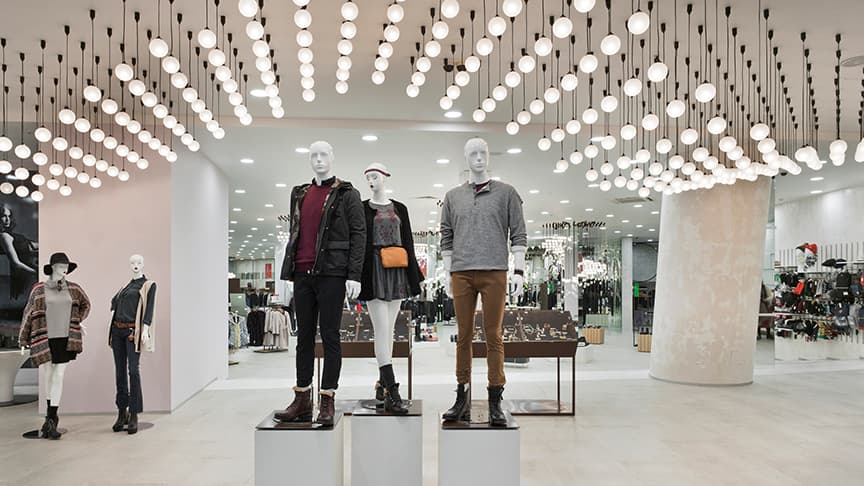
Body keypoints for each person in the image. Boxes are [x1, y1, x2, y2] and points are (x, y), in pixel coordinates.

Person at [0, 204, 38, 300]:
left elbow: (33, 245)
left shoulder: (11, 234)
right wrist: (36, 272)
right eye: (4, 216)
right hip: (26, 272)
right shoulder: (4, 236)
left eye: (9, 216)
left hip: (34, 261)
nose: (7, 219)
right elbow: (15, 263)